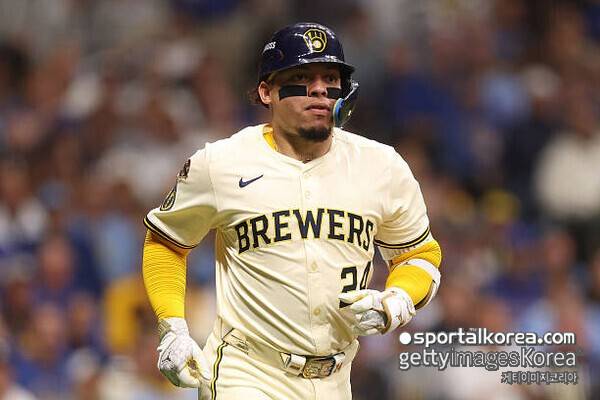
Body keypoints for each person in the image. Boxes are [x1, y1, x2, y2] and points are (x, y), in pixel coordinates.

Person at [141, 22, 442, 400]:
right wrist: (173, 327)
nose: (319, 89)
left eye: (330, 78)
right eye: (301, 77)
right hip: (248, 371)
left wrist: (397, 299)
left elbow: (419, 255)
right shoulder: (220, 164)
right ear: (266, 91)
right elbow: (166, 242)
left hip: (336, 378)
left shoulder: (381, 166)